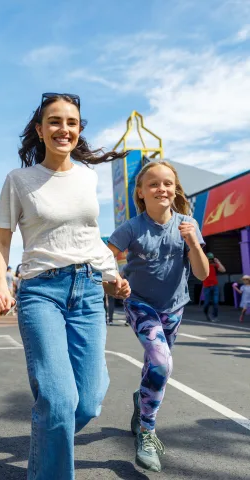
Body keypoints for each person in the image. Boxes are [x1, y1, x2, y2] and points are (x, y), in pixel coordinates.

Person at [0, 93, 130, 480]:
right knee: (59, 400)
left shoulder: (87, 176)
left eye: (71, 122)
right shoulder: (19, 180)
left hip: (87, 289)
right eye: (54, 121)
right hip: (41, 292)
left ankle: (47, 449)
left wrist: (111, 275)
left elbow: (89, 236)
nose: (63, 128)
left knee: (88, 402)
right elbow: (1, 243)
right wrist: (1, 284)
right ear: (39, 129)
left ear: (79, 128)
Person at [108, 161, 209, 472]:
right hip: (140, 305)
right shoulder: (131, 228)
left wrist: (193, 242)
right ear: (141, 192)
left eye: (168, 183)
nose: (161, 188)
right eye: (153, 184)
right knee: (162, 362)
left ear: (175, 188)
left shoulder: (187, 224)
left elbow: (201, 273)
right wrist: (114, 281)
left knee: (156, 367)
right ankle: (147, 433)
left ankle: (142, 400)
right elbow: (106, 257)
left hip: (174, 307)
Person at [202, 252, 226, 322]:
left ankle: (214, 316)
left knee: (215, 302)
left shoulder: (214, 264)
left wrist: (218, 262)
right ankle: (206, 313)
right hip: (207, 286)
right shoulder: (203, 264)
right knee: (206, 303)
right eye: (209, 259)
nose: (210, 260)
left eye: (211, 259)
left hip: (215, 286)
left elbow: (223, 270)